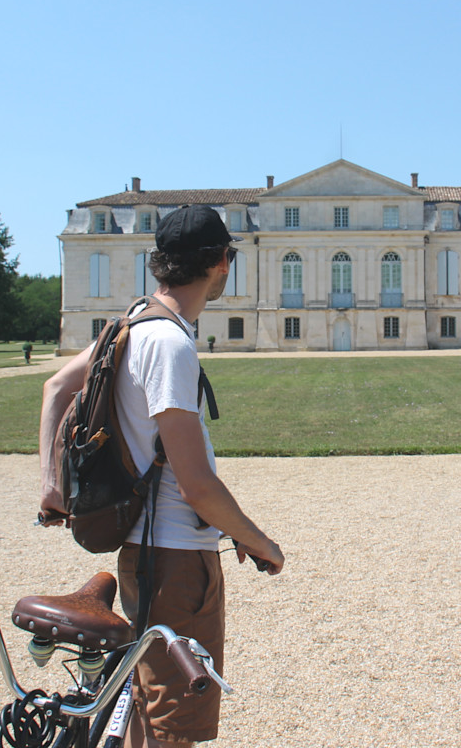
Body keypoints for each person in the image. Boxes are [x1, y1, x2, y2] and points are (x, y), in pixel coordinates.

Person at [39, 204, 284, 747]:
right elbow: (196, 485)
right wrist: (258, 540)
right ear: (223, 262)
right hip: (174, 558)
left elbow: (56, 389)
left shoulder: (131, 323)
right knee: (171, 727)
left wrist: (53, 491)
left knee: (147, 713)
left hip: (139, 548)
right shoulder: (171, 344)